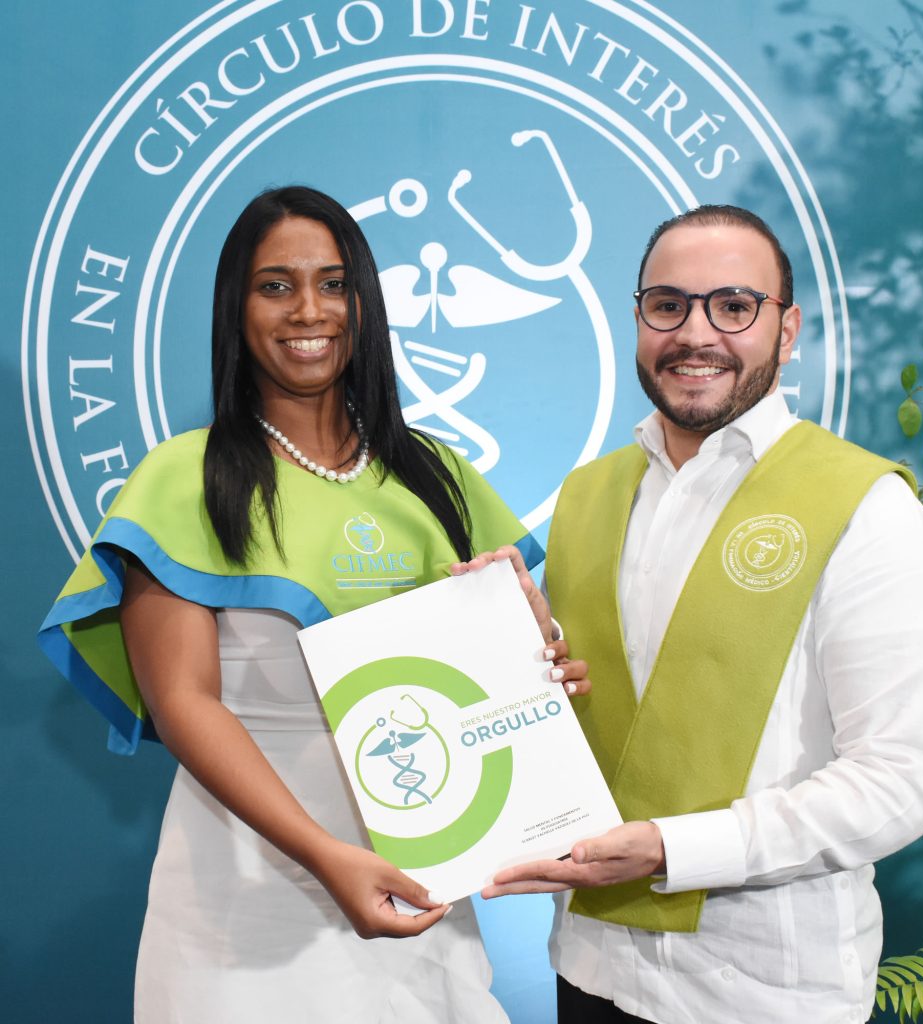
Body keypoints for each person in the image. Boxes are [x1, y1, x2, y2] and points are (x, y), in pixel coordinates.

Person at [38, 185, 588, 1023]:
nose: (309, 310)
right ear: (237, 307)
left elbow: (491, 686)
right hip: (244, 907)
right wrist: (327, 857)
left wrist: (541, 664)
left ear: (364, 302)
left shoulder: (436, 475)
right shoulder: (181, 479)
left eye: (334, 284)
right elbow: (183, 703)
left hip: (425, 898)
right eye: (276, 286)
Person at [480, 205, 923, 1023]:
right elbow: (602, 699)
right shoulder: (588, 494)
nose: (696, 334)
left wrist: (674, 849)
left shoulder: (867, 509)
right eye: (668, 305)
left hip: (762, 991)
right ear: (638, 320)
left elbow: (897, 781)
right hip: (589, 965)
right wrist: (520, 651)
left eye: (734, 306)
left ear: (787, 329)